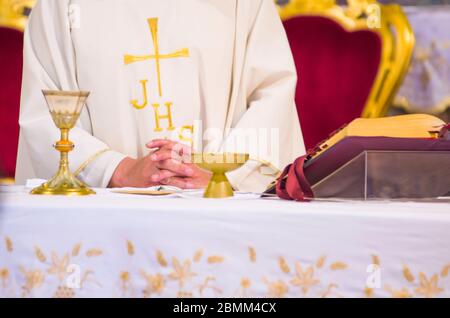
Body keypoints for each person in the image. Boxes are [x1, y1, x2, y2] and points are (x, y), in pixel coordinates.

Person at [16, 0, 305, 193]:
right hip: (103, 214)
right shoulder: (61, 5)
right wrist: (117, 169)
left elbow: (271, 93)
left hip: (216, 209)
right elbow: (44, 110)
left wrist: (220, 175)